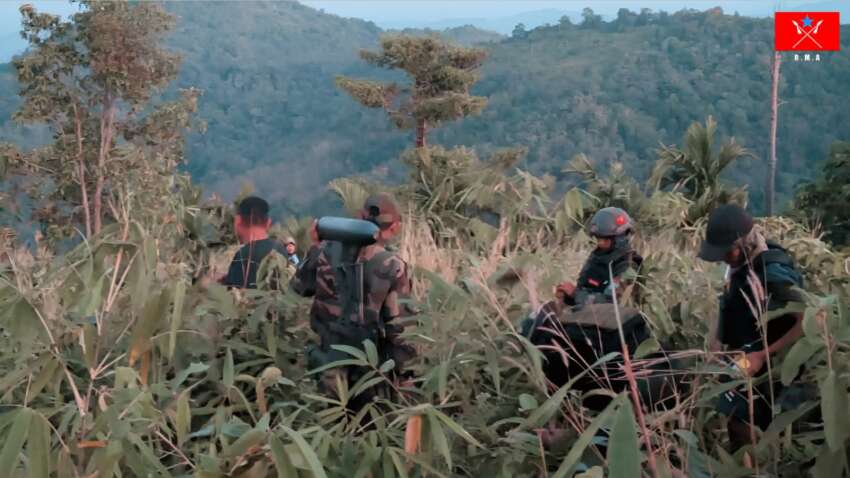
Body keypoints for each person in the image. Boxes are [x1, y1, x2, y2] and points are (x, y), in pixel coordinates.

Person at [290, 193, 416, 411]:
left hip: (327, 364)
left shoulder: (324, 252)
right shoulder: (392, 265)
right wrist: (406, 376)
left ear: (359, 216)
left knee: (329, 422)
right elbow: (399, 329)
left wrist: (315, 246)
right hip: (371, 371)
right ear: (395, 227)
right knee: (368, 426)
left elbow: (298, 287)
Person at [698, 204, 805, 452]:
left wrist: (762, 355)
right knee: (733, 413)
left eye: (727, 252)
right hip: (745, 354)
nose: (723, 258)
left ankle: (758, 463)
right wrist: (718, 343)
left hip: (773, 364)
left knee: (747, 422)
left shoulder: (774, 274)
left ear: (745, 244)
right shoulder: (740, 263)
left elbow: (808, 321)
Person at [554, 207, 643, 308]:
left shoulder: (629, 265)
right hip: (590, 313)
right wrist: (567, 295)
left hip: (613, 316)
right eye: (598, 238)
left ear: (620, 238)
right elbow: (584, 290)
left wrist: (576, 294)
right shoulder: (598, 257)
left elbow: (613, 303)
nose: (600, 243)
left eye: (605, 240)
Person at [219, 196, 288, 289]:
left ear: (237, 221)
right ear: (268, 222)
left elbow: (234, 292)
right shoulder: (281, 249)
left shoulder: (242, 255)